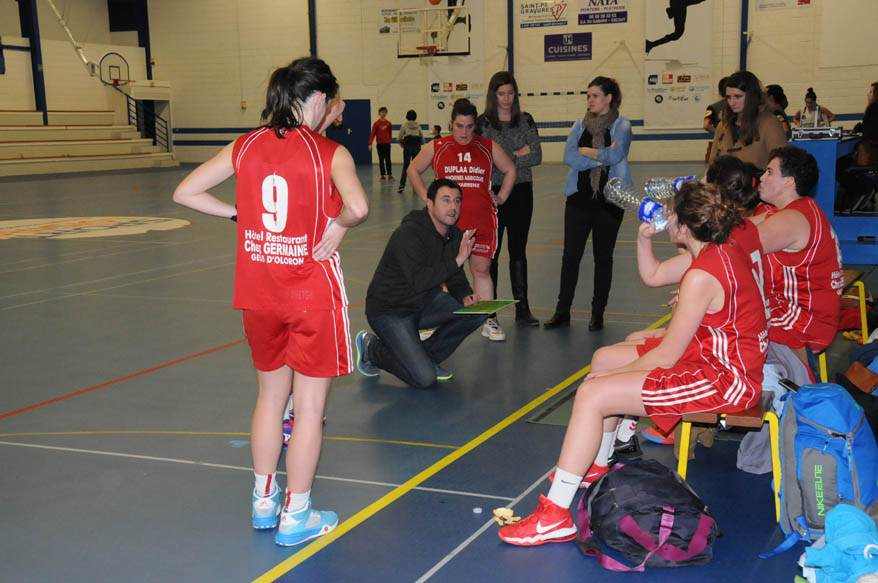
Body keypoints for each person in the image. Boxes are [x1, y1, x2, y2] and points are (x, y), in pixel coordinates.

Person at [498, 181, 767, 546]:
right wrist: (643, 239)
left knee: (593, 393)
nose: (666, 216)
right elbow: (664, 289)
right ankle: (596, 464)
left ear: (684, 227)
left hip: (725, 378)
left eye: (672, 213)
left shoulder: (702, 274)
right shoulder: (718, 249)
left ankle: (554, 516)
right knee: (605, 361)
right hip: (718, 357)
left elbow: (667, 356)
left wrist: (605, 380)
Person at [172, 57, 368, 547]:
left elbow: (186, 191)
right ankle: (296, 514)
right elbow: (358, 207)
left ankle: (263, 501)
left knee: (269, 398)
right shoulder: (328, 152)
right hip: (310, 294)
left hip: (259, 293)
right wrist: (339, 225)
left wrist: (238, 214)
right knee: (309, 409)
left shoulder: (246, 145)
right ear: (318, 99)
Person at [355, 179, 487, 388]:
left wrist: (465, 295)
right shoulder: (409, 234)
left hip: (423, 303)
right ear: (430, 203)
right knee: (424, 378)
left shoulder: (454, 234)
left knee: (476, 313)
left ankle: (423, 357)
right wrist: (458, 259)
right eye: (446, 200)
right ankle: (372, 350)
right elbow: (420, 281)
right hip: (390, 311)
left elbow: (454, 275)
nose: (453, 207)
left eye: (457, 201)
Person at [407, 98, 517, 342]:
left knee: (481, 270)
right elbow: (413, 169)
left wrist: (501, 196)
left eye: (469, 126)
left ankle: (487, 319)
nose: (464, 132)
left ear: (475, 125)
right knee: (441, 275)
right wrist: (427, 197)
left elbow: (510, 169)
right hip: (445, 225)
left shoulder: (487, 146)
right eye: (459, 126)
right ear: (451, 124)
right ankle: (435, 321)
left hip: (480, 221)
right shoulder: (438, 146)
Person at [544, 76, 632, 332]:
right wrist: (600, 156)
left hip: (610, 203)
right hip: (578, 201)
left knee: (603, 259)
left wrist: (588, 152)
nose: (590, 100)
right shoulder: (578, 125)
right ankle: (562, 312)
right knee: (570, 257)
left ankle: (597, 314)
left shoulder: (623, 126)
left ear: (609, 98)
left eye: (595, 95)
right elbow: (569, 157)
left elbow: (617, 154)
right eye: (588, 96)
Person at [753, 146, 843, 373]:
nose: (762, 177)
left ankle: (794, 377)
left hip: (802, 324)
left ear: (789, 182)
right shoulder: (799, 209)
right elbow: (739, 229)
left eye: (769, 172)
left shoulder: (791, 219)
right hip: (809, 317)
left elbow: (732, 252)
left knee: (727, 319)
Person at [478, 71, 543, 327]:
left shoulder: (526, 120)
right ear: (493, 95)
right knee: (491, 253)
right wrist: (518, 154)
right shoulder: (483, 124)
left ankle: (522, 309)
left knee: (518, 251)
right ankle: (490, 311)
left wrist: (505, 159)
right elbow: (484, 160)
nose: (506, 99)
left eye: (510, 93)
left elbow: (536, 155)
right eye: (501, 94)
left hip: (522, 191)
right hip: (492, 193)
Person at [708, 70, 788, 170]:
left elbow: (782, 165)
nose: (732, 102)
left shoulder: (770, 123)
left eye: (738, 97)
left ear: (751, 96)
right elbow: (712, 163)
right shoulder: (723, 125)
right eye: (728, 97)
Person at [703, 76, 729, 162]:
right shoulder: (740, 105)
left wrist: (719, 133)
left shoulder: (712, 107)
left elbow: (706, 125)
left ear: (720, 91)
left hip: (719, 145)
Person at [397, 109, 423, 193]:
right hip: (417, 147)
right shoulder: (418, 126)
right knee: (416, 168)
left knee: (406, 166)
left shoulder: (404, 125)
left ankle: (401, 186)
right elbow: (422, 138)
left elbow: (399, 137)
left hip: (408, 147)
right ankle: (416, 187)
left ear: (407, 116)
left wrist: (402, 145)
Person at [369, 106, 393, 180]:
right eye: (382, 112)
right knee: (381, 160)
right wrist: (370, 143)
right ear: (379, 113)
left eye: (384, 112)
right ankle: (382, 175)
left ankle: (390, 174)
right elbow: (372, 134)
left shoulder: (388, 123)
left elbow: (390, 133)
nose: (383, 113)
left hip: (387, 144)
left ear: (386, 113)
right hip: (380, 144)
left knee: (388, 159)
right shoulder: (376, 123)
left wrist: (389, 140)